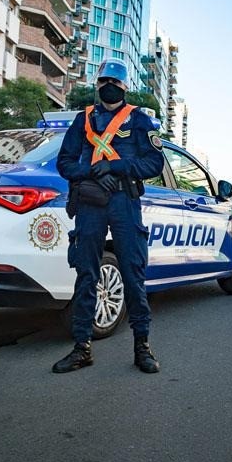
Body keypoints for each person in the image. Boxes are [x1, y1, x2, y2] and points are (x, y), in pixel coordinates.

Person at [52, 58, 166, 374]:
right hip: (90, 201)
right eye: (104, 81)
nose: (109, 86)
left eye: (115, 82)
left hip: (124, 201)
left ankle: (142, 347)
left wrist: (116, 167)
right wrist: (91, 172)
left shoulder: (139, 119)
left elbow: (154, 163)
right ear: (97, 84)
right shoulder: (84, 119)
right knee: (87, 274)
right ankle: (81, 348)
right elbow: (64, 163)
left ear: (125, 86)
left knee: (132, 273)